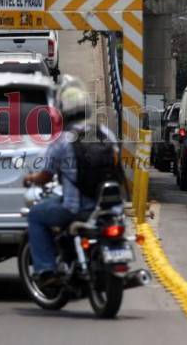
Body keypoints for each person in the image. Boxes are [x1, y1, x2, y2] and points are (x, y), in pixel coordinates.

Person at [23, 78, 121, 287]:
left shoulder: (62, 140)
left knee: (36, 215)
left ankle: (46, 270)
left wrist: (30, 178)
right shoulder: (105, 134)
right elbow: (115, 165)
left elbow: (45, 176)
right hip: (107, 207)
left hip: (75, 208)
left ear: (63, 111)